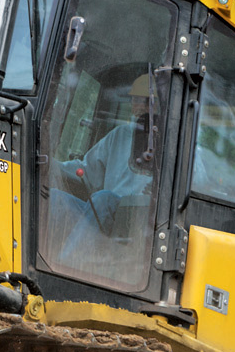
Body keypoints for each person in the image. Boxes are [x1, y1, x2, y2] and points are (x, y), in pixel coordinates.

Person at [49, 72, 155, 268]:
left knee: (103, 198)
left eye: (144, 101)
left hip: (141, 224)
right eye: (135, 100)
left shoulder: (176, 147)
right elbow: (86, 171)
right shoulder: (120, 135)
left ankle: (66, 267)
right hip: (107, 216)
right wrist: (51, 164)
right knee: (56, 198)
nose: (137, 106)